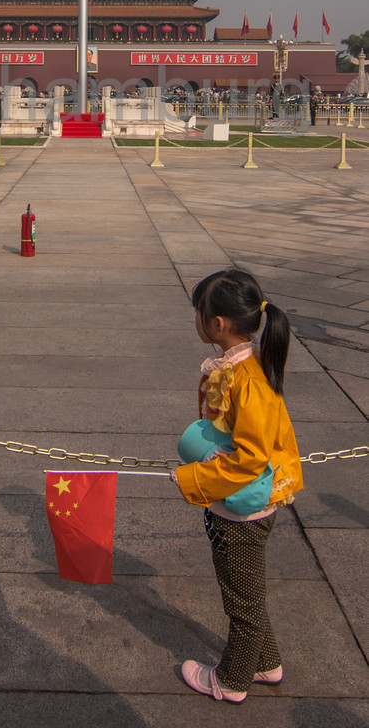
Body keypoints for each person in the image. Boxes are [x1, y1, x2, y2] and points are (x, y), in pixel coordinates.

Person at [171, 268, 302, 703]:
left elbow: (249, 460)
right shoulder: (244, 366)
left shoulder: (249, 381)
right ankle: (266, 662)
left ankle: (230, 681)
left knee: (241, 602)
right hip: (237, 504)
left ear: (218, 324)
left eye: (199, 312)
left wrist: (192, 478)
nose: (196, 319)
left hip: (243, 512)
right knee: (245, 589)